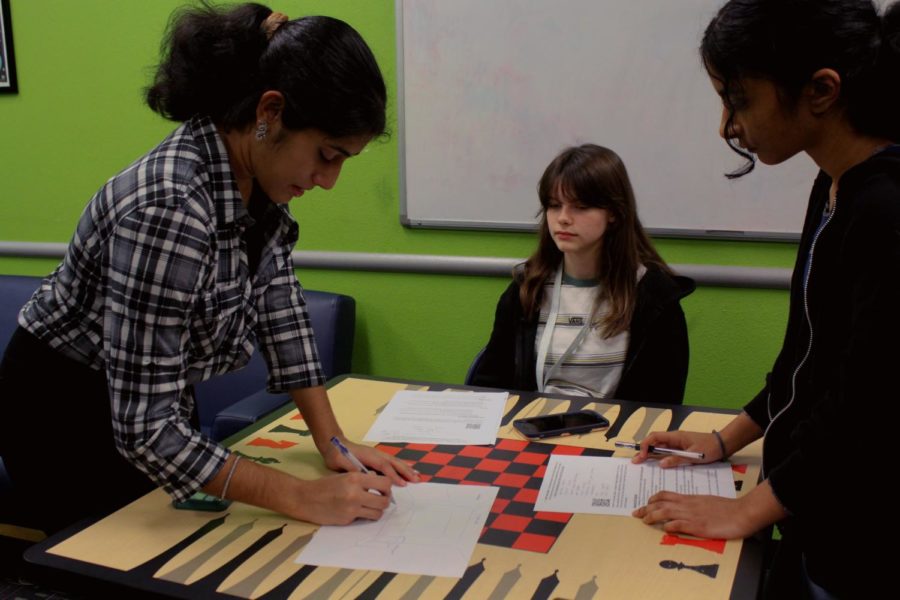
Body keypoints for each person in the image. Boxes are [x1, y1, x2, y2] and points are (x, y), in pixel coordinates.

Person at [0, 2, 417, 536]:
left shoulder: (254, 174)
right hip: (63, 412)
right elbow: (146, 429)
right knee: (122, 554)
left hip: (150, 392)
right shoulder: (170, 209)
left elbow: (280, 307)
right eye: (328, 154)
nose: (328, 179)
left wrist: (333, 442)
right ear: (270, 112)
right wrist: (300, 496)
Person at [631, 0, 900, 597]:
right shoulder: (832, 184)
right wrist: (727, 438)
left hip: (866, 544)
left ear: (821, 90)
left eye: (739, 99)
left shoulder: (886, 211)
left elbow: (866, 403)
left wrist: (747, 511)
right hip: (810, 509)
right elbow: (807, 357)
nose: (727, 124)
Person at [470, 144, 694, 403]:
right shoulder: (527, 290)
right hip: (532, 433)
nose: (563, 218)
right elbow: (490, 385)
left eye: (580, 207)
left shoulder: (653, 298)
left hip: (615, 437)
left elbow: (662, 404)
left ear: (613, 213)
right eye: (554, 205)